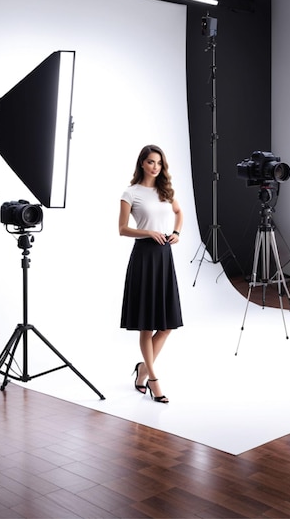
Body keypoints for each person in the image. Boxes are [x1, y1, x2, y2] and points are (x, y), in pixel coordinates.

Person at [119, 144, 183, 403]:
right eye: (150, 162)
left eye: (158, 162)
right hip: (144, 257)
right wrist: (148, 232)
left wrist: (176, 232)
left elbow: (179, 213)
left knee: (166, 325)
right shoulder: (130, 192)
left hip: (164, 256)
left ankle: (142, 370)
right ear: (142, 164)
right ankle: (153, 380)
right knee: (146, 325)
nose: (155, 167)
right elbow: (122, 229)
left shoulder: (165, 191)